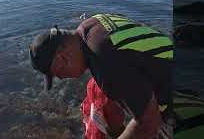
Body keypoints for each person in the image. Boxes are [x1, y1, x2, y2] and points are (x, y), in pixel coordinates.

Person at [29, 14, 173, 139]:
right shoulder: (93, 23)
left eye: (57, 73)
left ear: (62, 58)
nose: (60, 78)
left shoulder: (105, 62)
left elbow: (148, 125)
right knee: (99, 91)